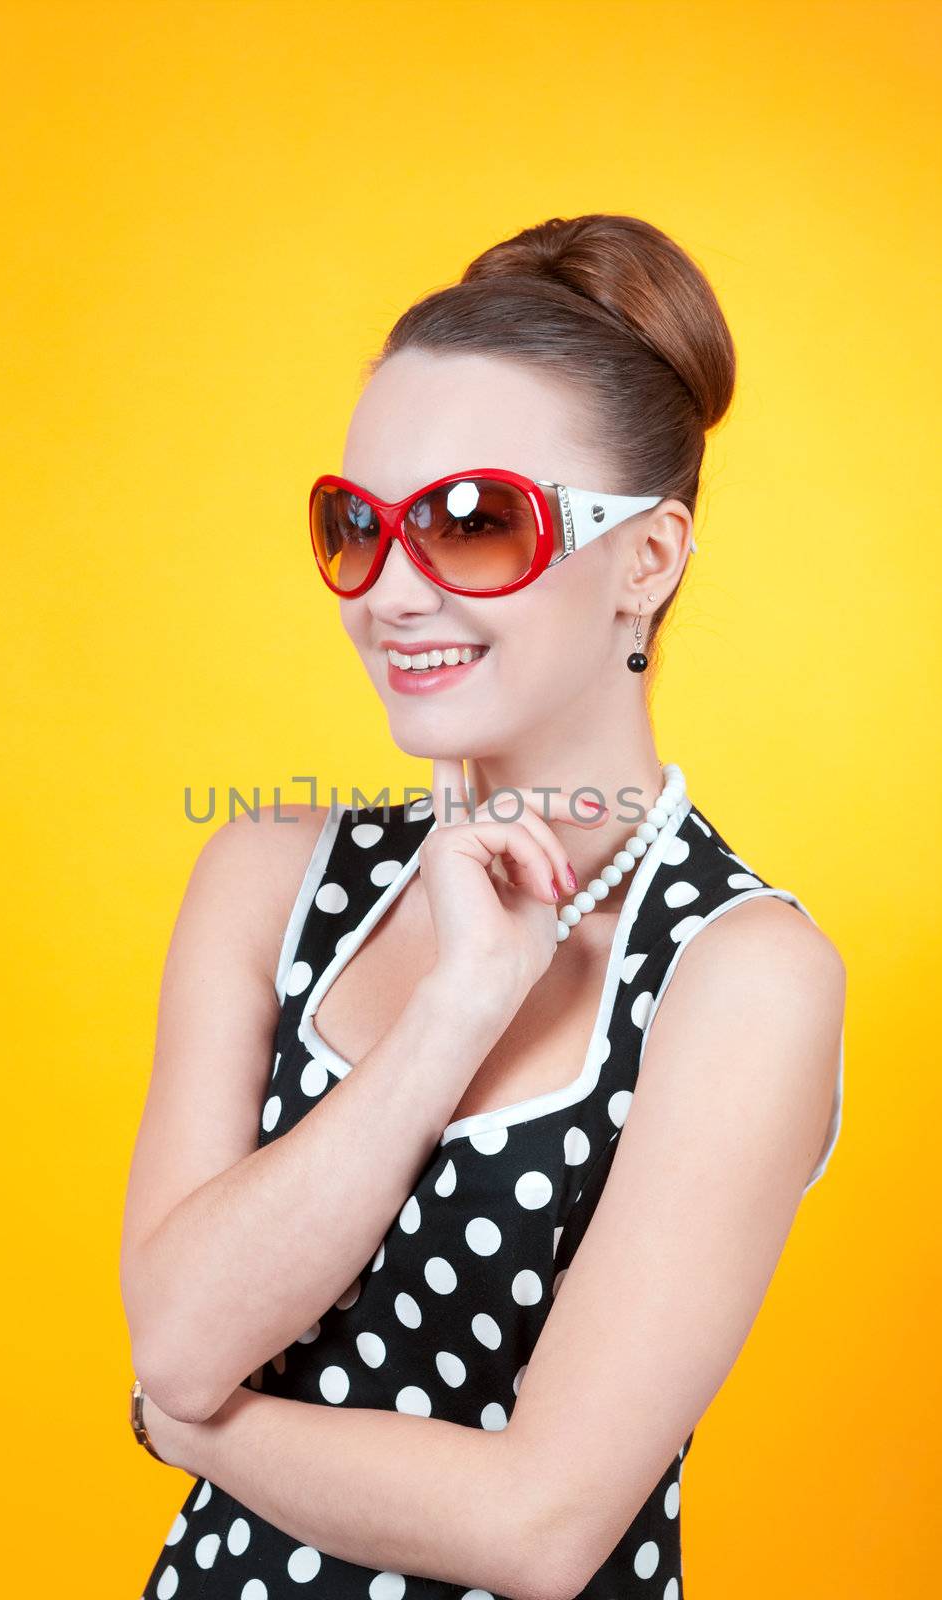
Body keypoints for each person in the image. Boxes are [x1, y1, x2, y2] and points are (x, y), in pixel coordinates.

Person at [121, 213, 845, 1600]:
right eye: (358, 525)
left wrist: (185, 1429)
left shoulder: (741, 974)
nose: (394, 590)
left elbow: (541, 1527)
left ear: (648, 560)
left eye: (474, 521)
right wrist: (457, 1006)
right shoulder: (271, 875)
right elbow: (176, 1330)